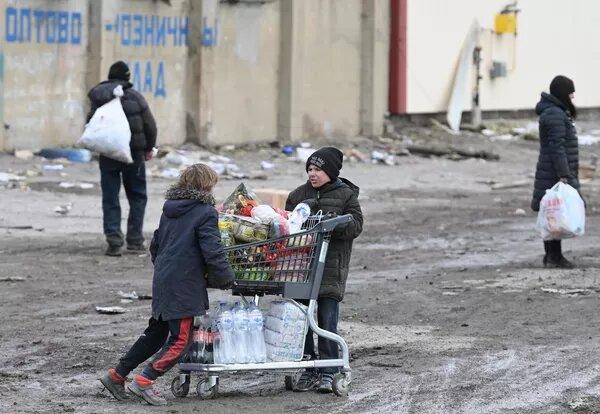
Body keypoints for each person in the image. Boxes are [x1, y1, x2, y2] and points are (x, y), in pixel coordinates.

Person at [99, 163, 235, 406]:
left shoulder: (170, 209)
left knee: (156, 333)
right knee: (181, 340)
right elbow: (212, 251)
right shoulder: (205, 212)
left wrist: (166, 268)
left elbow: (156, 243)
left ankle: (116, 375)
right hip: (184, 284)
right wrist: (225, 278)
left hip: (164, 279)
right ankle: (144, 381)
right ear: (207, 185)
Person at [285, 147, 363, 393]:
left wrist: (331, 224)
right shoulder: (298, 194)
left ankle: (329, 371)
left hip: (330, 268)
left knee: (327, 322)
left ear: (330, 171)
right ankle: (308, 368)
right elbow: (285, 226)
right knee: (302, 320)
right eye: (309, 169)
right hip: (299, 267)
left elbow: (356, 225)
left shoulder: (346, 195)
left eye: (318, 169)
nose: (312, 174)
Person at [87, 61, 158, 256]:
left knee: (110, 197)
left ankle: (114, 241)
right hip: (134, 154)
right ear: (127, 78)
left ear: (110, 76)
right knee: (137, 196)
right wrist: (149, 148)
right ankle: (135, 240)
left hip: (108, 154)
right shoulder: (136, 97)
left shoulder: (99, 96)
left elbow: (91, 122)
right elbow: (150, 125)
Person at [531, 75, 580, 268]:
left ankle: (553, 256)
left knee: (554, 212)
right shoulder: (554, 114)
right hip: (553, 172)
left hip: (554, 170)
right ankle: (552, 257)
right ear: (562, 93)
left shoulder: (557, 112)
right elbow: (556, 147)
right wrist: (563, 173)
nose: (572, 97)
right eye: (570, 93)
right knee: (553, 212)